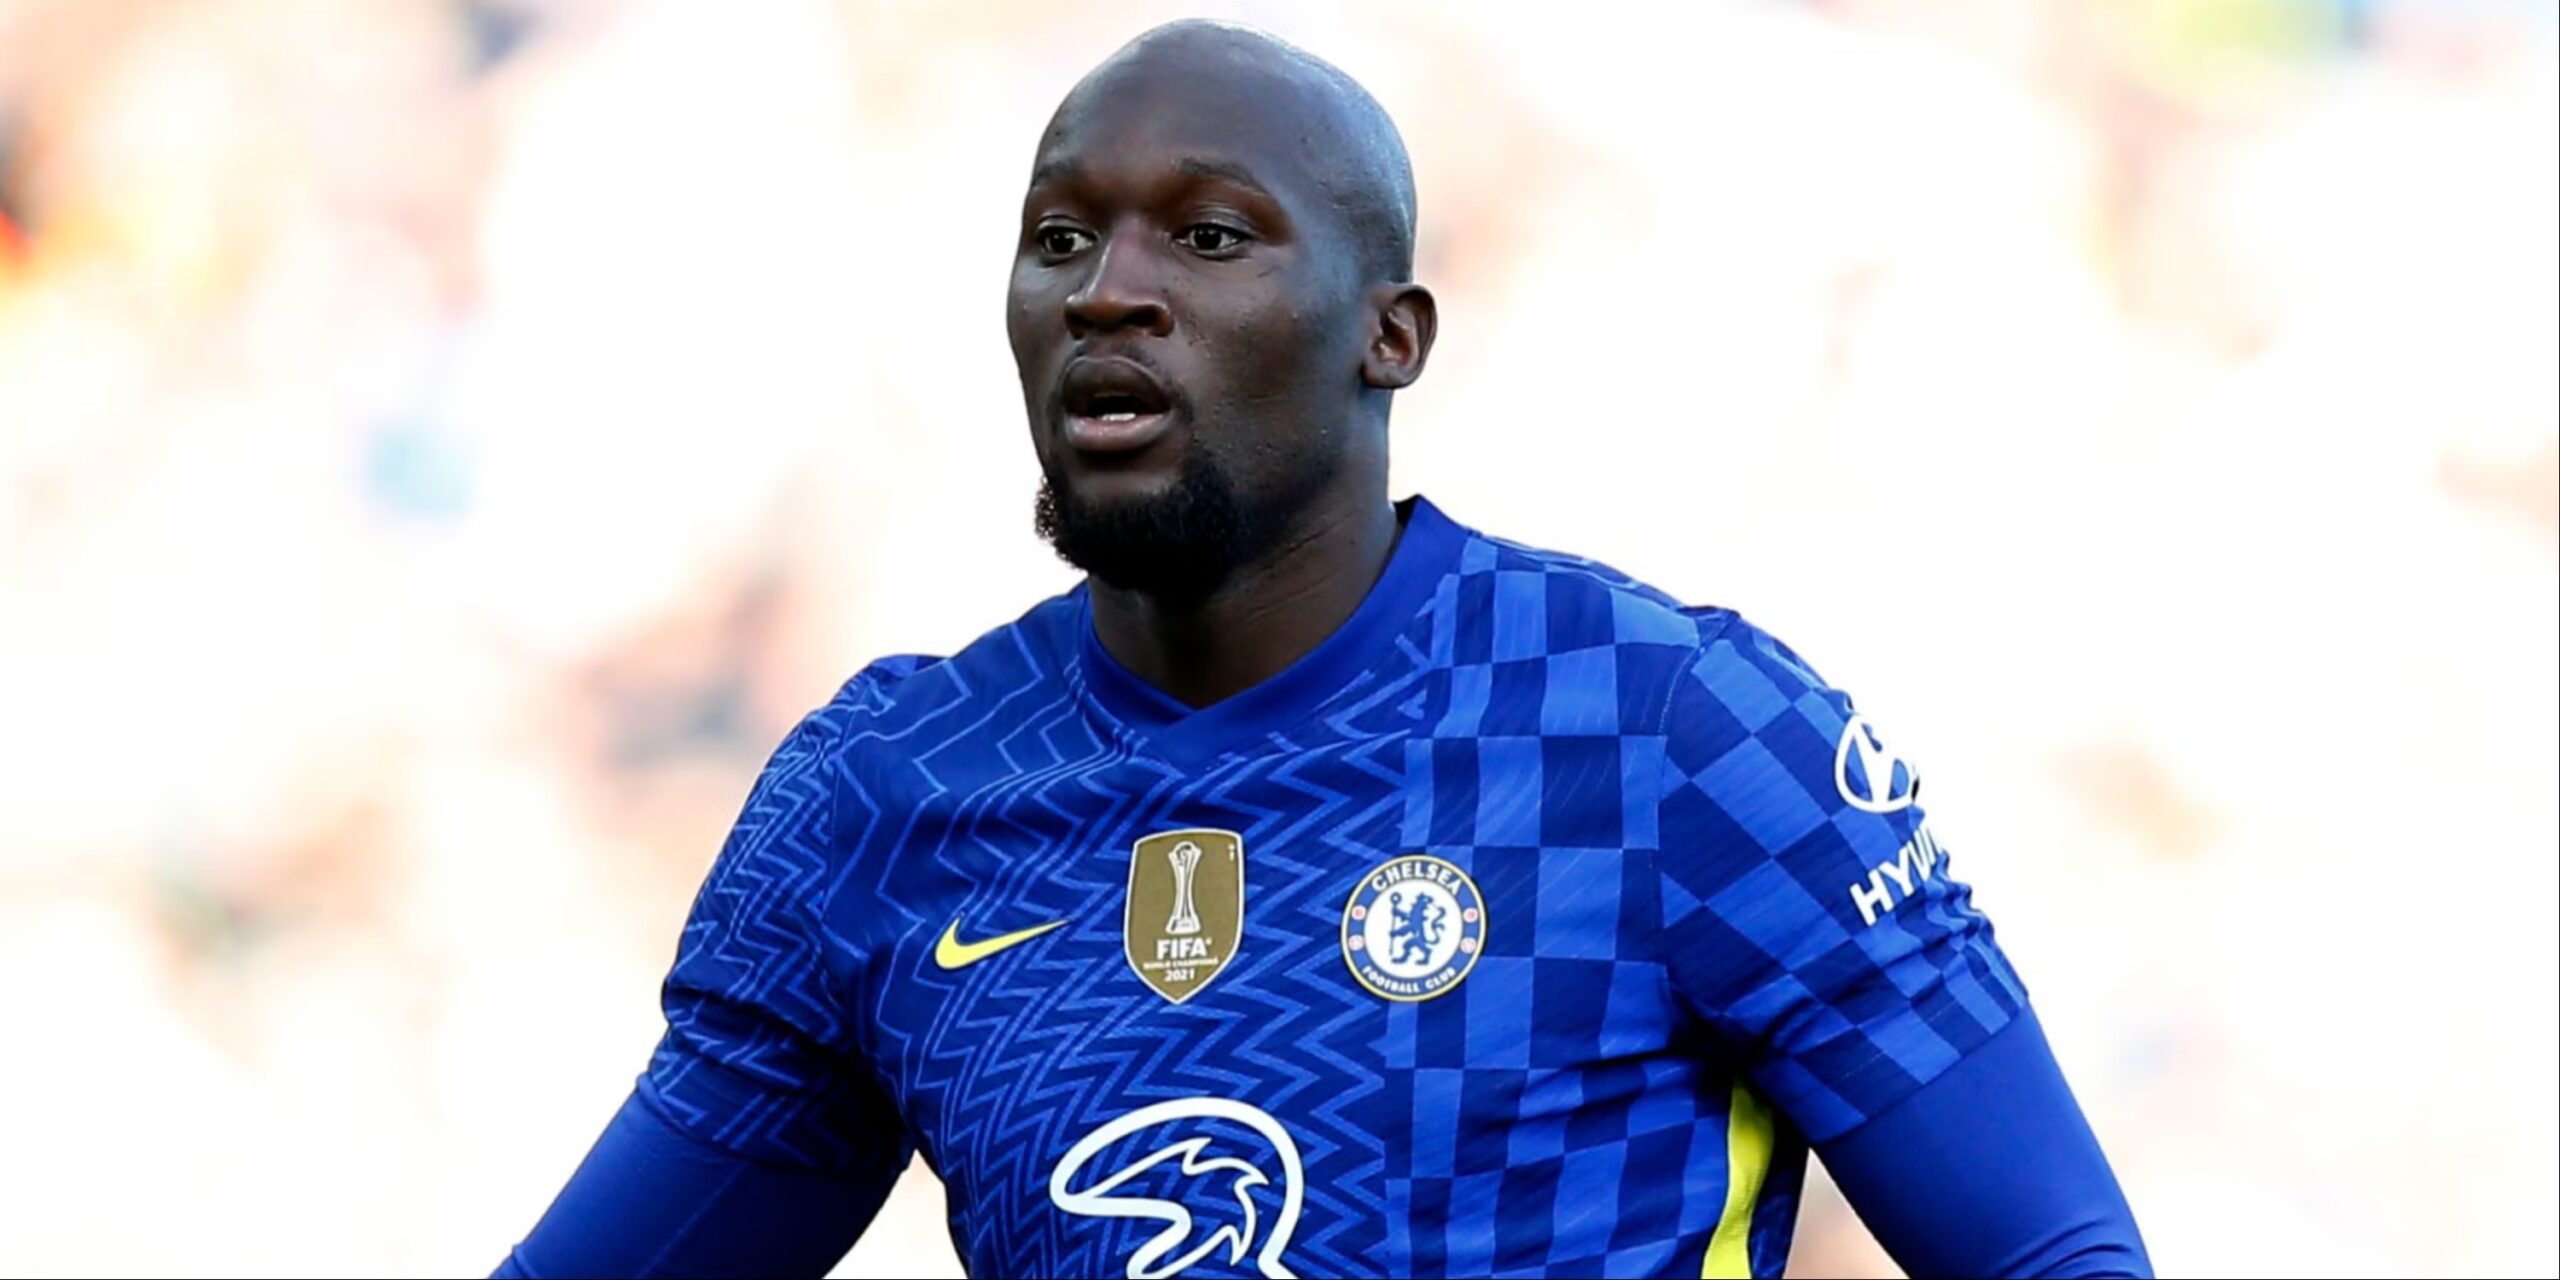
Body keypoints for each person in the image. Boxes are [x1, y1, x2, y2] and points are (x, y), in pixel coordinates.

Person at [494, 20, 2150, 1280]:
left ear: (1389, 334)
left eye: (1210, 236)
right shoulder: (887, 799)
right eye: (1060, 238)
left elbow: (2058, 1257)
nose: (1108, 292)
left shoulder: (1672, 736)